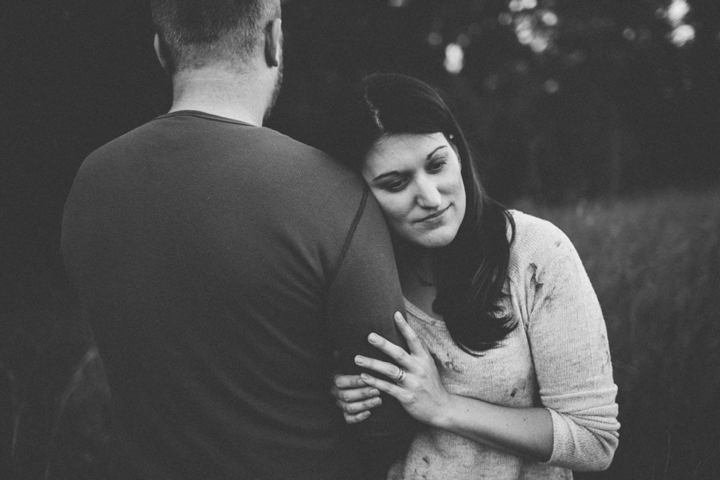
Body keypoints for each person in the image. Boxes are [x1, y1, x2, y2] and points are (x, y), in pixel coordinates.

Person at [61, 2, 415, 479]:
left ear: (162, 50)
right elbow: (387, 413)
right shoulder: (333, 193)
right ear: (273, 39)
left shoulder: (91, 182)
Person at [330, 73, 620, 479]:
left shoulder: (535, 253)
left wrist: (443, 406)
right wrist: (344, 398)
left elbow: (593, 439)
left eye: (437, 164)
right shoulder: (355, 275)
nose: (430, 198)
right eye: (395, 183)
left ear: (457, 150)